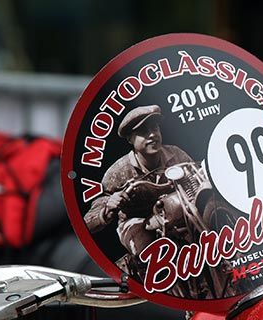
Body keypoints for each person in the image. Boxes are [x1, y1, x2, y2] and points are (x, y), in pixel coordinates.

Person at [83, 104, 194, 258]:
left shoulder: (176, 155)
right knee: (145, 246)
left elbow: (197, 176)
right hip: (137, 222)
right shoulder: (118, 172)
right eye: (144, 132)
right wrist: (108, 207)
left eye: (155, 128)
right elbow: (86, 223)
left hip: (174, 214)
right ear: (130, 139)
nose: (152, 135)